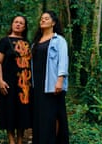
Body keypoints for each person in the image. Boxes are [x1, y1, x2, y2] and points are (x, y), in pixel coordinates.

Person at [31, 10, 69, 144]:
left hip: (52, 84)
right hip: (38, 84)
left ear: (53, 23)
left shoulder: (59, 40)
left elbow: (63, 61)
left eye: (46, 18)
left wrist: (60, 80)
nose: (42, 20)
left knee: (52, 116)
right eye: (41, 18)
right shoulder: (35, 42)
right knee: (39, 116)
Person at [0, 15, 32, 144]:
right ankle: (11, 140)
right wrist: (0, 81)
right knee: (9, 110)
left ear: (25, 27)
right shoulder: (5, 41)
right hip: (8, 82)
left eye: (21, 23)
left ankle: (20, 140)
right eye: (16, 22)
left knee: (22, 111)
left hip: (24, 84)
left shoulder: (28, 43)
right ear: (12, 24)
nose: (18, 24)